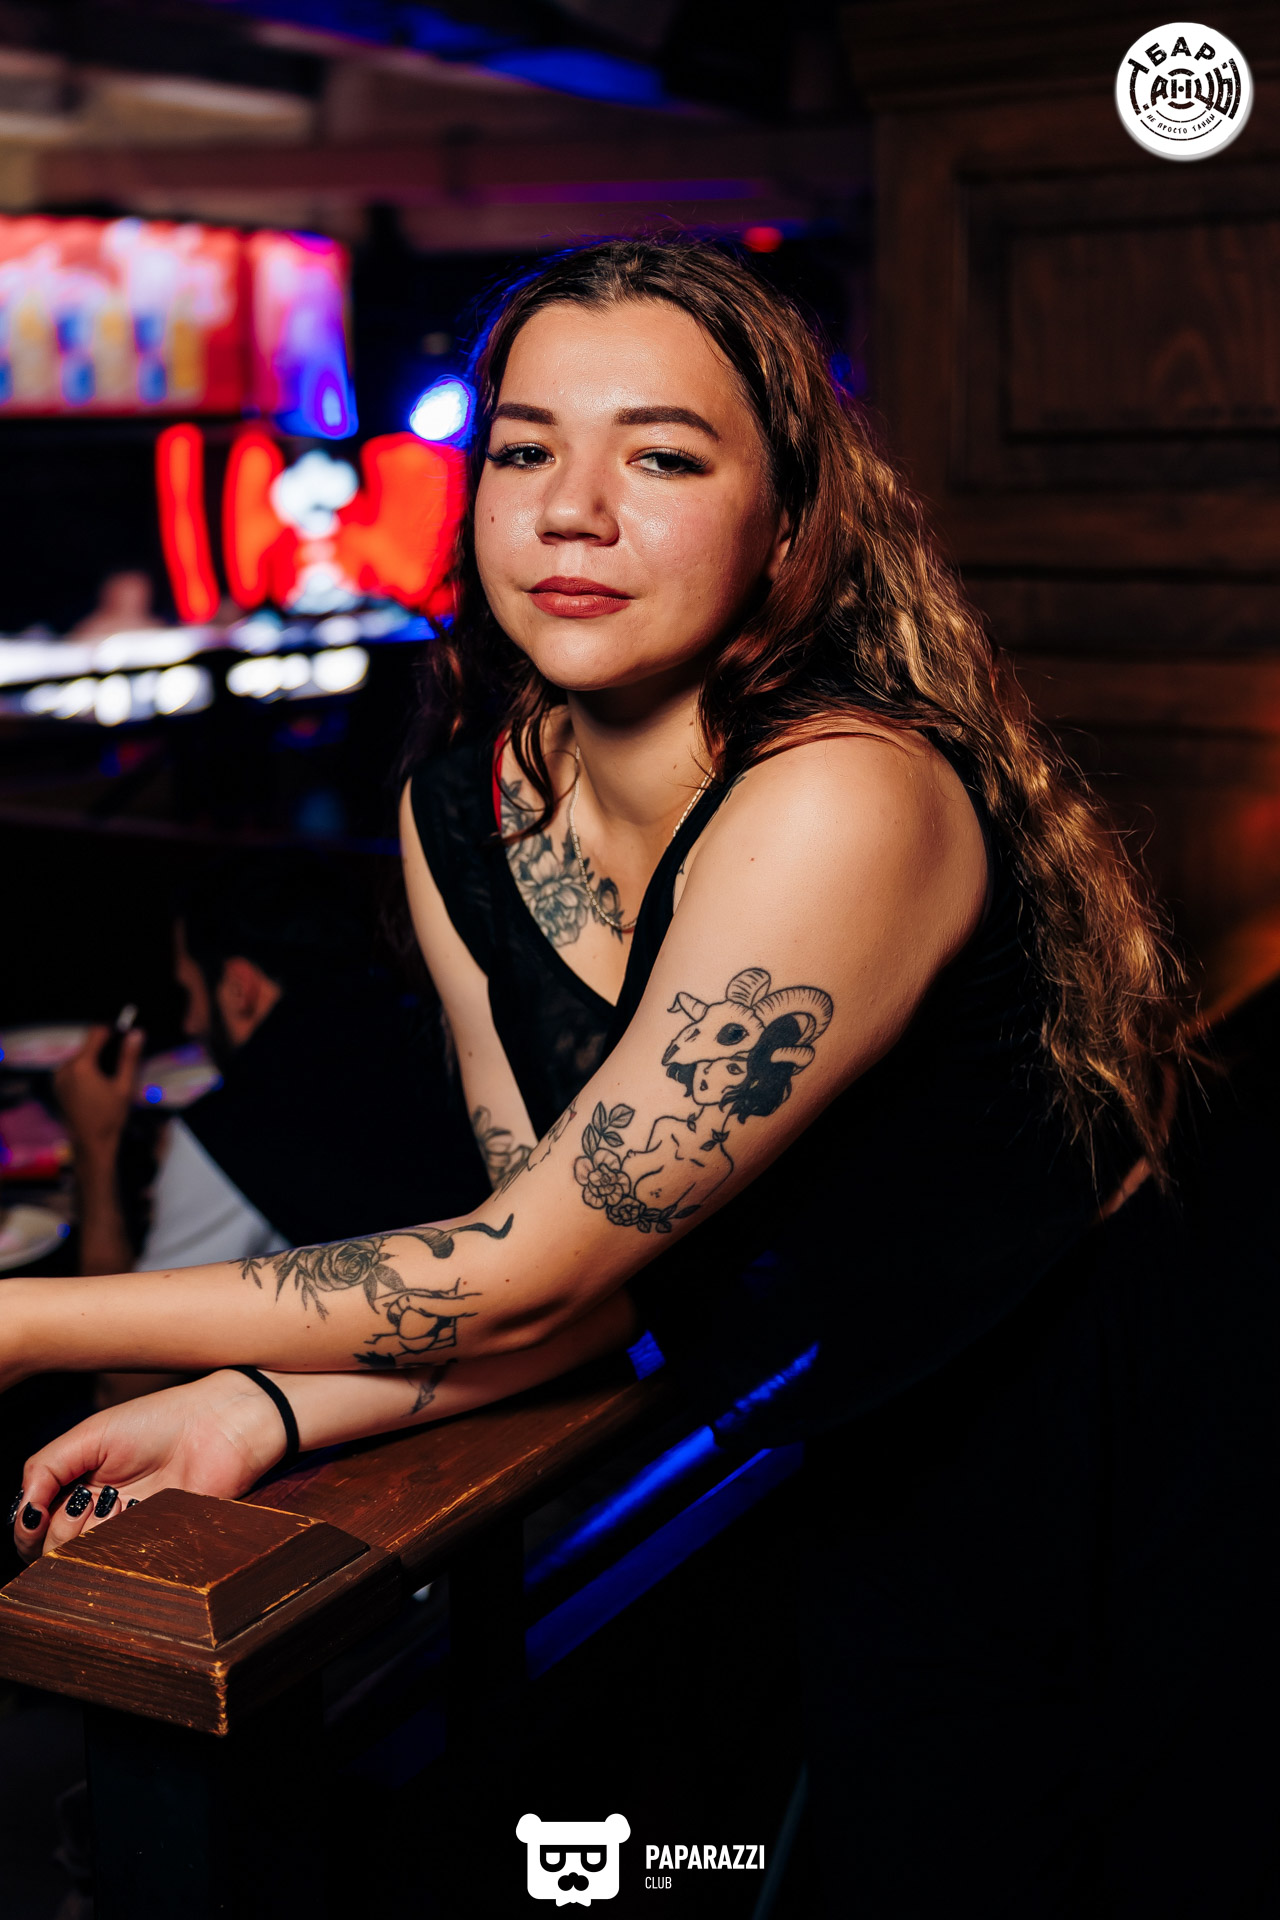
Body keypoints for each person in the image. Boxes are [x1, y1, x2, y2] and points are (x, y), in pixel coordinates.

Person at [2, 238, 1273, 1915]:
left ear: (790, 527)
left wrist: (26, 1320)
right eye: (524, 448)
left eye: (662, 456)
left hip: (1107, 1439)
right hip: (847, 1463)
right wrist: (270, 1406)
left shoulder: (847, 796)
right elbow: (569, 1274)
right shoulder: (463, 813)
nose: (572, 510)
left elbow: (536, 1261)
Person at [53, 859, 485, 1393]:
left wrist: (94, 1146)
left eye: (190, 993)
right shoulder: (435, 1028)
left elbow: (122, 1381)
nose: (190, 1023)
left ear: (239, 988)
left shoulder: (236, 1126)